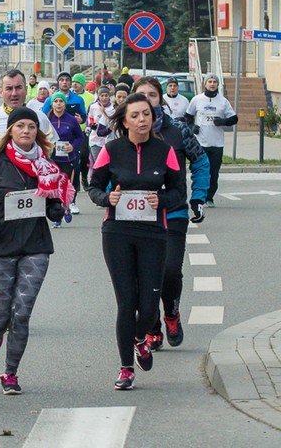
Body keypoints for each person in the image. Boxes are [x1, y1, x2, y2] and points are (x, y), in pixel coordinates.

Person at [0, 107, 74, 395]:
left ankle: (10, 373)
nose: (26, 131)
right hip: (0, 247)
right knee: (0, 318)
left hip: (36, 246)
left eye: (31, 127)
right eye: (21, 126)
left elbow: (54, 202)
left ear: (37, 132)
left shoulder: (47, 166)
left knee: (22, 313)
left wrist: (55, 208)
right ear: (11, 131)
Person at [87, 93, 185, 391]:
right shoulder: (112, 150)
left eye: (147, 114)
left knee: (149, 308)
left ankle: (141, 337)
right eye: (136, 115)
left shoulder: (164, 150)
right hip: (117, 234)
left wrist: (162, 199)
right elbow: (92, 186)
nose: (143, 120)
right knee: (127, 303)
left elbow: (179, 191)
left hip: (153, 235)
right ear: (124, 120)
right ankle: (126, 367)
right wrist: (108, 198)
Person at [133, 77, 209, 351]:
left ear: (160, 99)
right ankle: (152, 327)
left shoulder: (177, 130)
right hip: (137, 216)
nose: (146, 100)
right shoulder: (124, 132)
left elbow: (200, 161)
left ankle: (172, 314)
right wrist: (109, 196)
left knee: (169, 271)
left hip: (172, 213)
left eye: (152, 95)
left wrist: (199, 196)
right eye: (140, 95)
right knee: (143, 275)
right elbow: (109, 167)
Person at [0, 69, 58, 155]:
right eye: (9, 88)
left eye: (18, 88)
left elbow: (52, 149)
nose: (14, 93)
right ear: (1, 92)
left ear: (26, 89)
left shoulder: (41, 118)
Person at [185, 74, 238, 207]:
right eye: (210, 81)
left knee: (213, 172)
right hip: (200, 143)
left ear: (217, 84)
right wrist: (192, 127)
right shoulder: (197, 99)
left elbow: (234, 118)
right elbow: (187, 116)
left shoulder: (223, 101)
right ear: (205, 84)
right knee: (200, 171)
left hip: (216, 143)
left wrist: (223, 121)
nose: (212, 84)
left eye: (214, 82)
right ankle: (198, 196)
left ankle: (209, 197)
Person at [47, 93, 84, 222]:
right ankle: (56, 213)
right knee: (54, 186)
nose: (58, 104)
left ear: (64, 104)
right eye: (56, 101)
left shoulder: (71, 120)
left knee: (66, 184)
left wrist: (73, 146)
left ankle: (67, 206)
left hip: (68, 159)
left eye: (61, 101)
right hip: (52, 159)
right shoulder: (47, 119)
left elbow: (80, 137)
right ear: (52, 104)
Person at [86, 86, 116, 179]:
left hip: (109, 140)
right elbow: (89, 118)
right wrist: (91, 125)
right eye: (101, 95)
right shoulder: (93, 106)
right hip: (95, 140)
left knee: (107, 164)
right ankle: (95, 181)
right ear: (98, 96)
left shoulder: (113, 108)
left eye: (106, 95)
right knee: (97, 163)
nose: (104, 98)